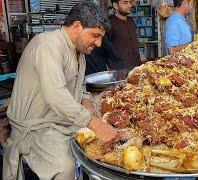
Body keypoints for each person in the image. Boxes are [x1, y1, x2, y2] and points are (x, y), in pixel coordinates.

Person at [2, 2, 119, 180]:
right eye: (95, 35)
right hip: (37, 128)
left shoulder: (79, 52)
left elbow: (79, 87)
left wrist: (88, 104)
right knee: (65, 164)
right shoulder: (47, 45)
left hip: (61, 121)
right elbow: (56, 96)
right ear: (77, 26)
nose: (99, 42)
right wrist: (95, 124)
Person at [108, 0, 141, 70]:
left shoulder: (131, 21)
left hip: (137, 68)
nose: (129, 5)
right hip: (119, 72)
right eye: (125, 3)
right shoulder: (109, 23)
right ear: (115, 5)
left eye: (130, 2)